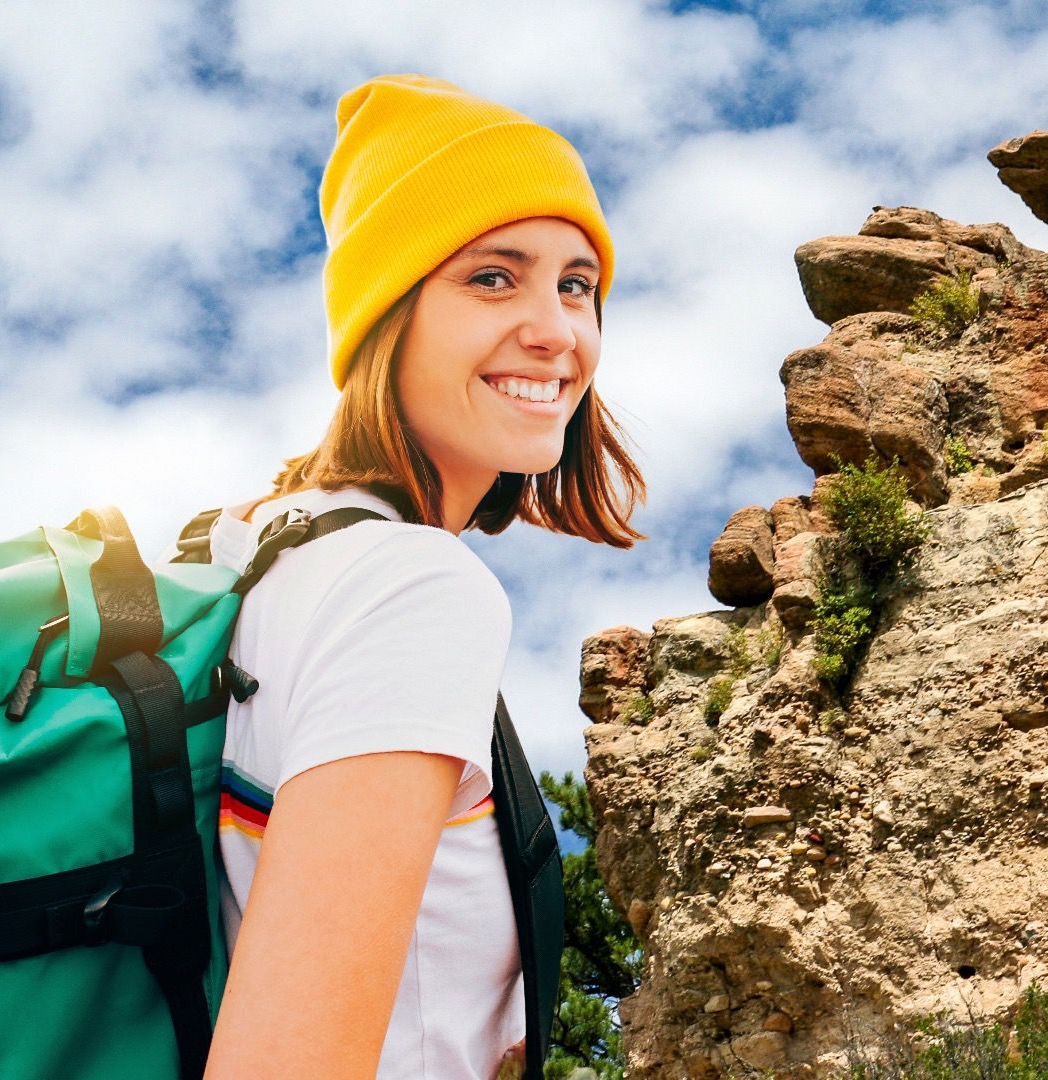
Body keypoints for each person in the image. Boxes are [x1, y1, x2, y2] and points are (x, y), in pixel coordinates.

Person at [197, 74, 645, 1080]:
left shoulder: (245, 555)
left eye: (578, 285)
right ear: (387, 316)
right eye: (494, 277)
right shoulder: (410, 588)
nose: (557, 330)